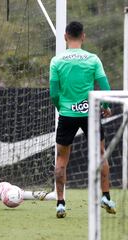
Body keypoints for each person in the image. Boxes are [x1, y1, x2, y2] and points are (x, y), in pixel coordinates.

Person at [49, 21, 116, 218]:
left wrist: (61, 108)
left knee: (61, 159)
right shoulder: (93, 59)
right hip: (90, 114)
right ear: (83, 36)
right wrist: (105, 106)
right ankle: (105, 196)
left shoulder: (57, 61)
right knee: (101, 154)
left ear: (65, 36)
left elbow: (54, 92)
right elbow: (105, 89)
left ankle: (60, 203)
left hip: (67, 114)